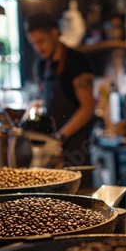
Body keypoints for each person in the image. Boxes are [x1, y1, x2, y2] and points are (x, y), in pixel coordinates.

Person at [25, 12, 95, 188]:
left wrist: (60, 137)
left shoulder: (76, 61)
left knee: (79, 196)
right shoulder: (41, 64)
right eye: (33, 43)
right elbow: (47, 98)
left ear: (55, 33)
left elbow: (88, 108)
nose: (38, 48)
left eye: (41, 41)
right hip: (52, 146)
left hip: (75, 145)